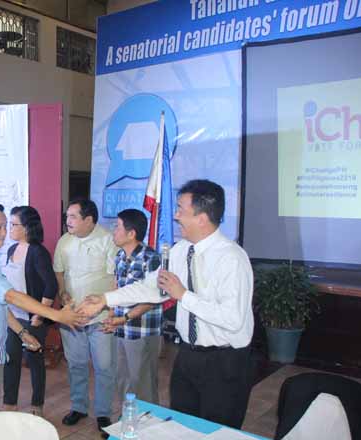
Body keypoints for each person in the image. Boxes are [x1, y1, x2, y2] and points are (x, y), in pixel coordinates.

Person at [79, 180, 254, 429]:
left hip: (225, 360)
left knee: (217, 430)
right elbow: (152, 287)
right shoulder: (181, 250)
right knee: (184, 426)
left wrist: (183, 295)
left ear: (202, 218)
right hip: (188, 355)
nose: (175, 216)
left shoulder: (231, 258)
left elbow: (232, 319)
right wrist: (106, 299)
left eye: (181, 209)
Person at [0, 203, 85, 440]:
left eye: (6, 226)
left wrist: (22, 332)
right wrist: (57, 315)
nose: (4, 232)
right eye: (0, 227)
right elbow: (11, 296)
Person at [53, 199, 118, 437]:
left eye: (73, 217)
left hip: (101, 317)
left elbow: (116, 279)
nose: (67, 221)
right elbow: (59, 271)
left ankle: (103, 413)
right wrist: (62, 292)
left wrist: (112, 311)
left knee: (104, 367)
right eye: (67, 216)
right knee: (76, 364)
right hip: (71, 317)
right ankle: (79, 407)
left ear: (89, 220)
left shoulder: (108, 240)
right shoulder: (64, 241)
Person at [102, 209, 162, 404]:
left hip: (142, 331)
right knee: (123, 380)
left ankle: (148, 420)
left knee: (143, 383)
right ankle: (128, 416)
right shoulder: (120, 255)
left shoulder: (151, 258)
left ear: (131, 233)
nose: (114, 231)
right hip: (121, 329)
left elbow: (153, 298)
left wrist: (125, 318)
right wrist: (112, 316)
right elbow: (117, 287)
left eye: (117, 227)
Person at [2, 206, 57, 417]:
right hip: (13, 317)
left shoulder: (37, 252)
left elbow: (51, 285)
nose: (10, 229)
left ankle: (37, 404)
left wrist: (39, 315)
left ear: (26, 227)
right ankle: (9, 403)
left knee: (35, 362)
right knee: (11, 359)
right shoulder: (11, 250)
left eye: (14, 224)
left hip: (33, 319)